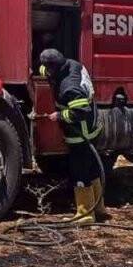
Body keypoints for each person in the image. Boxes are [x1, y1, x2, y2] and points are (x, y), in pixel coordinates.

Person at [38, 48, 108, 223]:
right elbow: (44, 70)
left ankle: (85, 214)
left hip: (80, 131)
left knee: (79, 169)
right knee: (92, 167)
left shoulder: (68, 87)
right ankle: (98, 208)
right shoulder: (72, 64)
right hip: (91, 124)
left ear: (53, 68)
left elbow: (81, 111)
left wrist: (60, 116)